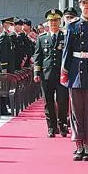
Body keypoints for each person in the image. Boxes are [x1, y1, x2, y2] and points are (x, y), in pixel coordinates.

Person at [62, 0, 88, 161]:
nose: (86, 6)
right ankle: (79, 145)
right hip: (76, 72)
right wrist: (64, 72)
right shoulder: (73, 25)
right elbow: (67, 51)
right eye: (83, 3)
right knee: (77, 112)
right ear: (79, 6)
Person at [34, 9, 69, 137]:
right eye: (50, 21)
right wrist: (36, 73)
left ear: (59, 21)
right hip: (46, 75)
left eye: (55, 20)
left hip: (61, 75)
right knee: (48, 102)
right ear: (47, 23)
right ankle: (51, 127)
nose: (53, 23)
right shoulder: (42, 38)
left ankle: (63, 125)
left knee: (62, 101)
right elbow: (38, 56)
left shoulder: (65, 36)